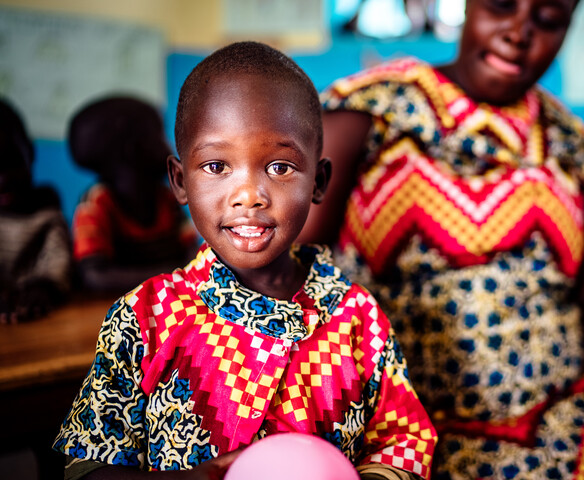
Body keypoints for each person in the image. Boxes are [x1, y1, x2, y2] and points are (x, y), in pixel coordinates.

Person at [53, 41, 437, 480]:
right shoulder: (143, 319)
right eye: (216, 166)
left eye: (279, 167)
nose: (249, 195)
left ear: (319, 181)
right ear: (180, 182)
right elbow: (87, 466)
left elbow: (403, 442)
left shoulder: (357, 319)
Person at [299, 0, 584, 478]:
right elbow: (291, 262)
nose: (518, 32)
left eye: (548, 19)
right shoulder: (370, 112)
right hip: (396, 429)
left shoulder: (572, 148)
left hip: (556, 430)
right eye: (502, 5)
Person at [68, 96, 198, 294]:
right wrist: (171, 276)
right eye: (160, 135)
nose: (170, 144)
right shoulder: (96, 205)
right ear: (133, 149)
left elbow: (191, 254)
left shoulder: (167, 198)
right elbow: (94, 277)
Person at [0, 98, 72, 323]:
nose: (3, 180)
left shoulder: (46, 210)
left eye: (12, 163)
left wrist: (46, 287)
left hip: (40, 319)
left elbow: (57, 259)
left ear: (30, 153)